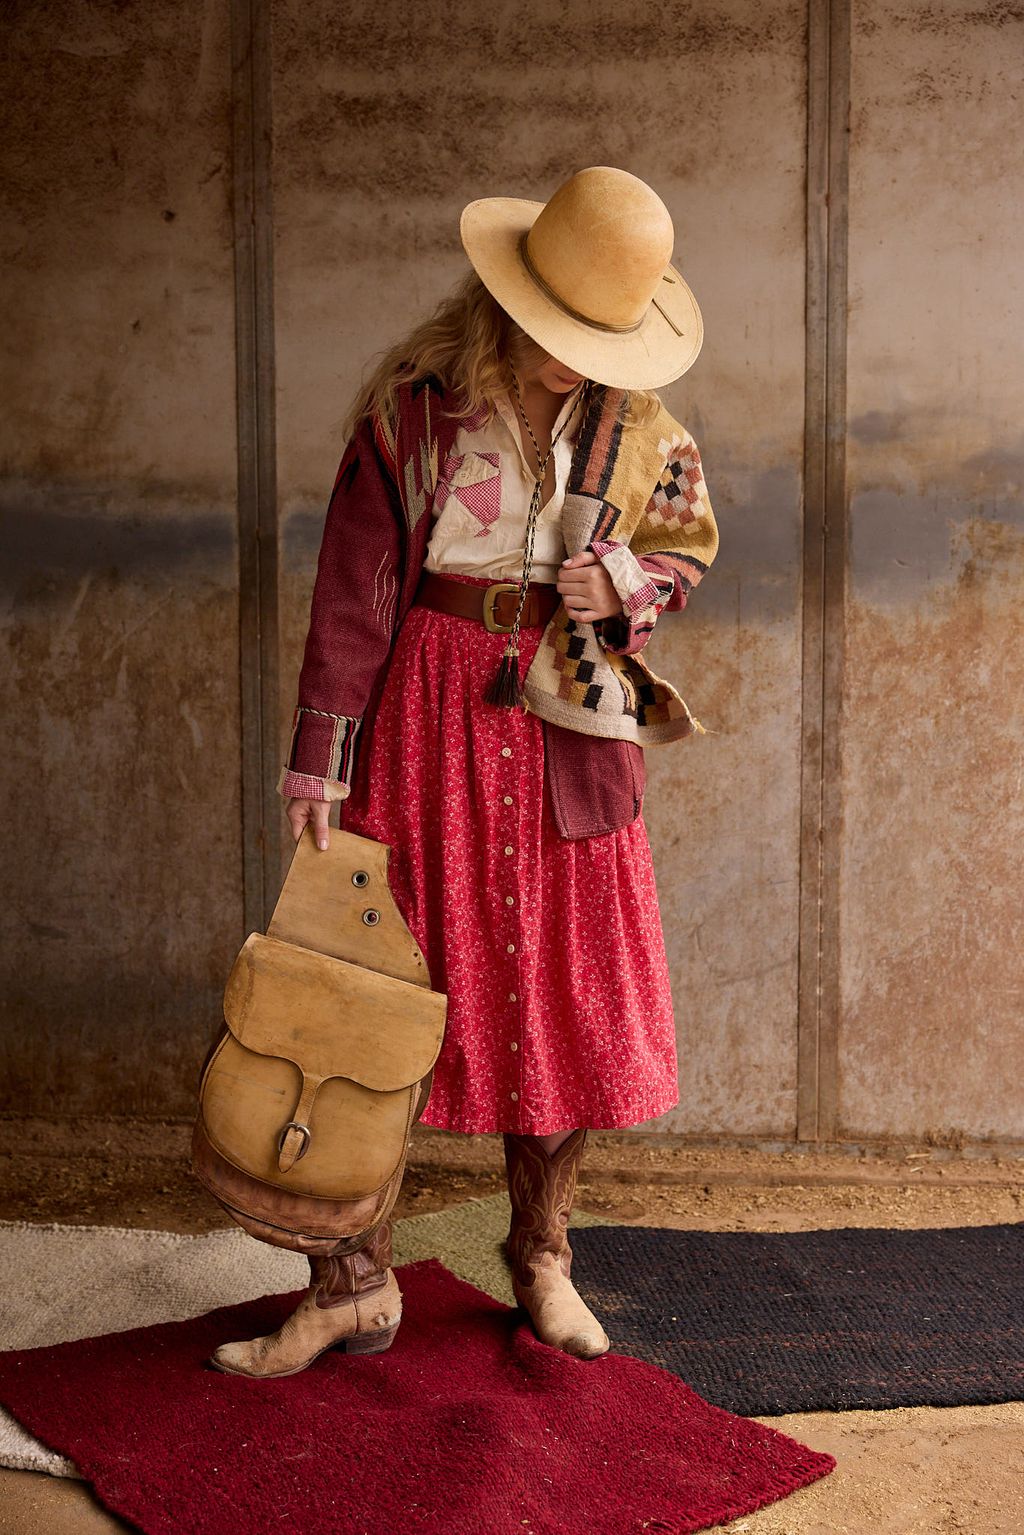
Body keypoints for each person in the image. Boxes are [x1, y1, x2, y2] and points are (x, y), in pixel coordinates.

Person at [210, 165, 719, 1378]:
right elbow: (354, 590)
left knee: (562, 993)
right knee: (369, 995)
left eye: (593, 339)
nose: (571, 359)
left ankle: (540, 1255)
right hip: (423, 716)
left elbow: (685, 547)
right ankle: (349, 1283)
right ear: (505, 300)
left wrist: (629, 589)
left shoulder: (641, 427)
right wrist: (321, 763)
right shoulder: (411, 412)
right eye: (555, 334)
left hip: (561, 732)